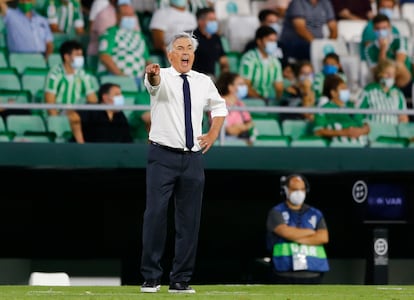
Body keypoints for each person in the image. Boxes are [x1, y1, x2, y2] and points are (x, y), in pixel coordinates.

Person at [140, 32, 228, 293]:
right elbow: (153, 84)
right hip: (162, 156)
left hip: (192, 159)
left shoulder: (203, 81)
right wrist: (152, 73)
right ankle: (151, 277)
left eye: (189, 47)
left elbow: (220, 108)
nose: (186, 51)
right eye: (180, 47)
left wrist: (212, 134)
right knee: (155, 214)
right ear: (170, 55)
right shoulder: (161, 75)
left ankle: (180, 279)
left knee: (189, 220)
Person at [266, 174, 329, 284]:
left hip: (313, 270)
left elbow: (323, 237)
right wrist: (311, 233)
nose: (299, 193)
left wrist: (296, 236)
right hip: (284, 270)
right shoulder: (276, 212)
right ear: (285, 190)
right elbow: (284, 231)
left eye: (302, 189)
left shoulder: (315, 213)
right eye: (295, 189)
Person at [97, 0, 150, 90]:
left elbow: (147, 60)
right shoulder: (110, 33)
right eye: (125, 14)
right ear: (117, 16)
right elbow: (104, 57)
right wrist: (122, 77)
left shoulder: (139, 36)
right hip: (116, 79)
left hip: (139, 80)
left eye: (131, 15)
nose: (129, 17)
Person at [363, 13, 412, 97]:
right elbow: (378, 71)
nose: (381, 31)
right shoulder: (369, 49)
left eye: (384, 28)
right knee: (382, 72)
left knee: (398, 66)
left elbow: (399, 62)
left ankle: (397, 92)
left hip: (403, 80)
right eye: (378, 29)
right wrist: (383, 49)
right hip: (384, 80)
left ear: (390, 28)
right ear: (374, 30)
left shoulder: (400, 40)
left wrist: (388, 71)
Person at [44, 39, 98, 116]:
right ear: (67, 57)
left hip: (77, 112)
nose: (81, 58)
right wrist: (56, 121)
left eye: (81, 55)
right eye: (77, 55)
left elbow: (92, 99)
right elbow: (50, 101)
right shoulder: (55, 73)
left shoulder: (83, 74)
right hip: (59, 112)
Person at [313, 74, 370, 146]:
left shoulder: (352, 107)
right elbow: (318, 131)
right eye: (343, 89)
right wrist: (344, 132)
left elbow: (366, 126)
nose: (346, 91)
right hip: (340, 146)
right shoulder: (324, 109)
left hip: (363, 145)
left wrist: (360, 131)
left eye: (346, 88)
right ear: (333, 93)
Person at [68, 82, 133, 143]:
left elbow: (126, 138)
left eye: (121, 94)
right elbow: (73, 117)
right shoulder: (93, 109)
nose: (121, 97)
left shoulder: (120, 115)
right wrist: (81, 145)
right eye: (117, 94)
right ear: (105, 97)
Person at [238, 25, 283, 105]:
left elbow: (279, 87)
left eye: (274, 41)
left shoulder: (275, 61)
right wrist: (261, 101)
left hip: (267, 100)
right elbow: (246, 86)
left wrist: (276, 102)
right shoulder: (249, 59)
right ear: (259, 41)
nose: (273, 43)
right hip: (249, 100)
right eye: (269, 40)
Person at [356, 58, 409, 124]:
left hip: (392, 132)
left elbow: (403, 116)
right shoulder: (369, 90)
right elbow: (358, 113)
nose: (390, 76)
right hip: (374, 132)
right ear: (379, 74)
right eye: (387, 73)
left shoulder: (398, 93)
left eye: (393, 74)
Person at [215, 72, 254, 145]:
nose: (244, 87)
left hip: (242, 142)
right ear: (230, 87)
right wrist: (243, 127)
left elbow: (250, 124)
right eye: (241, 84)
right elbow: (229, 130)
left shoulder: (240, 104)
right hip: (223, 143)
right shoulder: (217, 104)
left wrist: (240, 127)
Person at [192, 7, 229, 80]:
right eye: (211, 20)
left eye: (215, 20)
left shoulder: (216, 38)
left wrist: (225, 77)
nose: (214, 22)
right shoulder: (191, 38)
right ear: (200, 21)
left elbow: (223, 60)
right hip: (195, 77)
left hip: (211, 77)